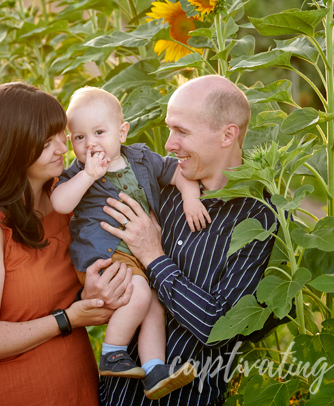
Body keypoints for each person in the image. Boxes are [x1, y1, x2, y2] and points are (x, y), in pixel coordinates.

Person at [0, 82, 133, 406]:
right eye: (45, 141)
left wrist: (97, 292)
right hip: (9, 393)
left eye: (60, 134)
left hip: (76, 386)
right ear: (12, 146)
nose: (61, 147)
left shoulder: (66, 197)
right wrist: (68, 319)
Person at [96, 75, 280, 406]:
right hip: (116, 397)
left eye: (182, 131)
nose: (168, 144)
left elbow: (221, 325)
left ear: (228, 135)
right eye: (169, 129)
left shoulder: (259, 217)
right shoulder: (157, 190)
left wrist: (154, 257)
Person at [50, 87, 210, 400]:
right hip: (104, 257)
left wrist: (191, 198)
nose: (90, 143)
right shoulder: (78, 173)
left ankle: (155, 370)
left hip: (136, 255)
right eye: (79, 138)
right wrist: (88, 176)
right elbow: (60, 202)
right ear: (71, 143)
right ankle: (112, 353)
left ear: (121, 132)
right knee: (138, 295)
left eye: (98, 132)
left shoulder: (140, 159)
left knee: (153, 306)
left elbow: (176, 171)